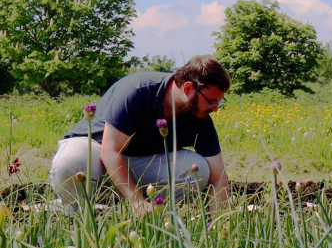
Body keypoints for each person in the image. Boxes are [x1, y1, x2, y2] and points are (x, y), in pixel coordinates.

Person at [49, 55, 232, 214]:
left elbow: (218, 176)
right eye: (212, 102)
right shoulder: (136, 91)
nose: (215, 109)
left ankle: (156, 215)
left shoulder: (200, 118)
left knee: (199, 169)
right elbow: (110, 151)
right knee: (72, 160)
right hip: (98, 156)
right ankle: (73, 211)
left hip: (140, 166)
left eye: (219, 102)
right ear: (188, 88)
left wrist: (220, 226)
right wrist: (136, 202)